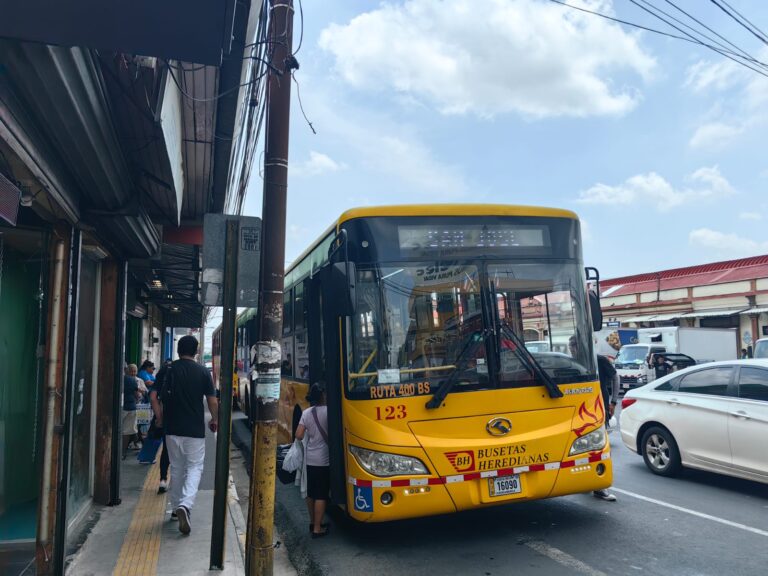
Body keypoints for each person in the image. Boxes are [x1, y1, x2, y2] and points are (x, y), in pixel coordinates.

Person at [154, 335, 219, 535]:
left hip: (171, 429)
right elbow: (212, 400)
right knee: (194, 467)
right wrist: (214, 419)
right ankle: (186, 504)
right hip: (194, 430)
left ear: (179, 350)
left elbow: (154, 395)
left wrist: (159, 417)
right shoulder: (202, 372)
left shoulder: (167, 369)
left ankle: (175, 509)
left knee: (177, 468)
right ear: (196, 350)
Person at [295, 382, 330, 538]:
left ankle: (312, 522)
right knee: (321, 494)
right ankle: (317, 528)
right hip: (324, 460)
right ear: (323, 395)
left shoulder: (306, 413)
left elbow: (299, 435)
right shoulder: (329, 412)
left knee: (311, 493)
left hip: (310, 459)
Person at [592, 355, 617, 502]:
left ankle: (600, 485)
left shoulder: (599, 360)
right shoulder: (574, 360)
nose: (572, 349)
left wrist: (613, 401)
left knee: (601, 445)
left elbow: (615, 378)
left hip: (600, 406)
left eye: (574, 346)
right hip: (584, 408)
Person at [122, 364, 143, 458]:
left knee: (128, 429)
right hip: (130, 407)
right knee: (127, 430)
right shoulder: (132, 380)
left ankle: (138, 442)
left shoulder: (121, 379)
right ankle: (123, 452)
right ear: (126, 370)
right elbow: (137, 394)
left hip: (121, 408)